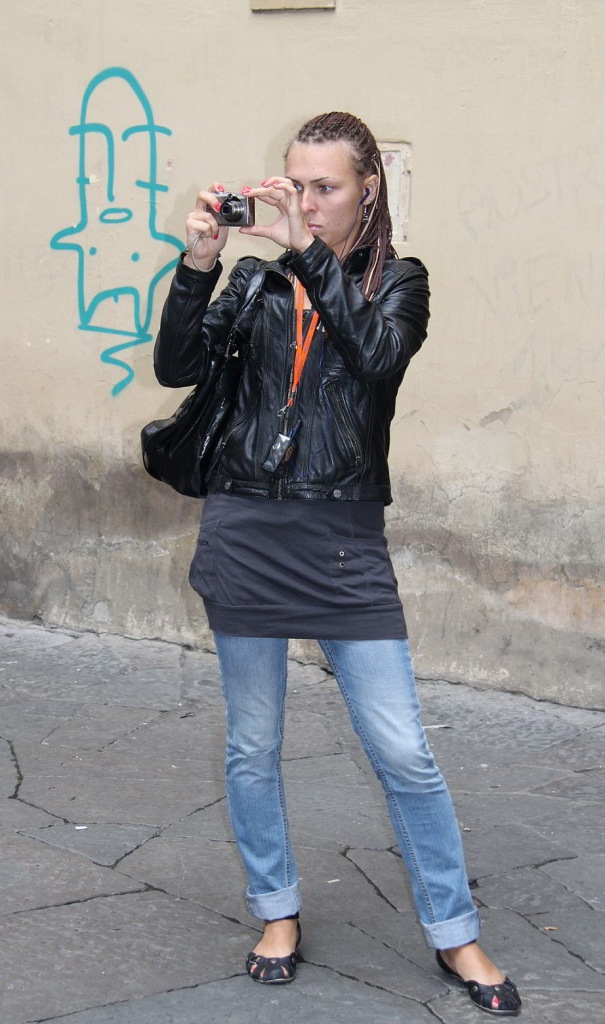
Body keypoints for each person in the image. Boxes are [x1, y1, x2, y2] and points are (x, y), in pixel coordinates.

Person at [153, 112, 522, 1016]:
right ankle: (275, 913)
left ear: (367, 190)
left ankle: (454, 932)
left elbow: (377, 358)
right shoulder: (255, 279)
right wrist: (199, 266)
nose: (308, 203)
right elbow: (174, 367)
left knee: (402, 751)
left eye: (326, 187)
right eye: (296, 185)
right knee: (251, 745)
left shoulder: (398, 280)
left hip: (343, 540)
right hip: (245, 526)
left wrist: (307, 254)